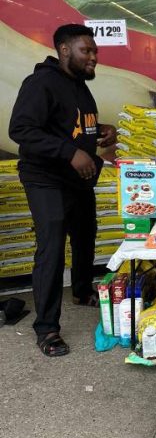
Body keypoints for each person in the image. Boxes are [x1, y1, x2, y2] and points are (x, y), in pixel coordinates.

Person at [9, 24, 116, 357]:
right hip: (44, 177)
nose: (94, 57)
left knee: (86, 233)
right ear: (65, 50)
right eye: (87, 51)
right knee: (52, 246)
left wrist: (102, 130)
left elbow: (74, 124)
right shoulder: (41, 83)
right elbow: (21, 129)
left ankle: (82, 291)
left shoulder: (79, 86)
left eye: (95, 51)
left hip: (75, 179)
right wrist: (70, 152)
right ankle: (47, 329)